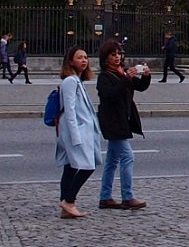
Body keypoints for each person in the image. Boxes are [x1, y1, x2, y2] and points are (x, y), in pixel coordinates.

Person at [96, 39, 149, 210]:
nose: (117, 57)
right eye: (113, 54)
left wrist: (146, 76)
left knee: (112, 160)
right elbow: (111, 94)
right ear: (105, 58)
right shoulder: (104, 77)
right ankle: (127, 196)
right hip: (113, 122)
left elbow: (139, 86)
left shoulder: (121, 72)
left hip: (122, 120)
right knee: (127, 157)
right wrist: (126, 78)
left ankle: (105, 197)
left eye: (119, 54)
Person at [55, 47, 101, 219]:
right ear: (70, 61)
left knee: (70, 167)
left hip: (80, 130)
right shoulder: (71, 81)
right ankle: (68, 200)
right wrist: (75, 136)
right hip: (77, 131)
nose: (84, 60)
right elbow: (70, 110)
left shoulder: (77, 81)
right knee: (87, 166)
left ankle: (65, 206)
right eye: (79, 57)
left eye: (86, 57)